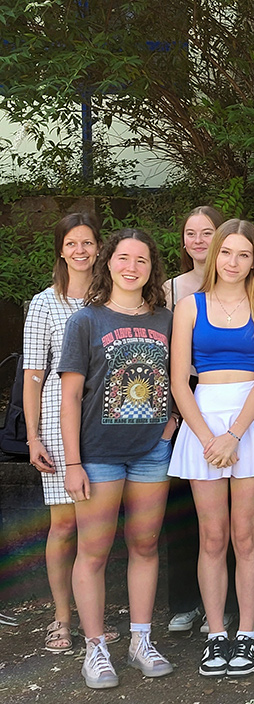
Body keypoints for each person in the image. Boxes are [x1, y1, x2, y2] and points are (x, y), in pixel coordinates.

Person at [59, 228, 176, 689]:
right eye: (123, 258)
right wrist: (72, 462)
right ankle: (95, 649)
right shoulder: (85, 321)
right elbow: (69, 397)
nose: (131, 267)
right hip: (98, 455)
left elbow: (182, 380)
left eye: (141, 260)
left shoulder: (168, 320)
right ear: (108, 263)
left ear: (152, 269)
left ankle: (140, 640)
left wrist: (167, 429)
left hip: (151, 454)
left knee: (145, 546)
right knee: (93, 551)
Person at [168, 219, 254, 678]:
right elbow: (179, 380)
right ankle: (217, 634)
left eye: (244, 254)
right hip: (202, 420)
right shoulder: (189, 307)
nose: (234, 262)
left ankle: (247, 634)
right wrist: (208, 436)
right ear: (215, 255)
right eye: (227, 252)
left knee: (245, 534)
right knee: (211, 537)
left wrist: (234, 434)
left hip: (248, 422)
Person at [23, 212, 121, 651]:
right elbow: (33, 376)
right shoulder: (44, 304)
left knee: (96, 528)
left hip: (102, 424)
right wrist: (33, 437)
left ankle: (91, 619)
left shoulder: (110, 298)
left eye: (87, 243)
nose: (80, 251)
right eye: (71, 244)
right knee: (64, 525)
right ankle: (62, 618)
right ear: (61, 250)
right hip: (55, 424)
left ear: (99, 248)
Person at [160, 205, 234, 635]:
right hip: (184, 412)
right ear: (183, 240)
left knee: (230, 525)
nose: (200, 240)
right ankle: (186, 602)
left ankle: (224, 608)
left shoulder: (236, 282)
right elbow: (165, 360)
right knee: (186, 516)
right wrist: (173, 415)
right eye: (192, 233)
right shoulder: (173, 290)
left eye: (209, 232)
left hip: (222, 411)